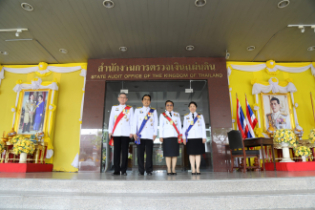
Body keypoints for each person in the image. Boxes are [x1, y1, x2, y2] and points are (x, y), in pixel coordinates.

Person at [108, 93, 134, 176]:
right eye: (121, 97)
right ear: (118, 99)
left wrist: (132, 132)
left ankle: (123, 170)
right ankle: (116, 169)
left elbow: (132, 122)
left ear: (126, 99)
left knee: (125, 152)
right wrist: (110, 131)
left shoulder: (130, 109)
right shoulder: (114, 108)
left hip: (126, 133)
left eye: (124, 97)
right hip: (116, 132)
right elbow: (111, 120)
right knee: (116, 152)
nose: (122, 99)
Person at [132, 94, 158, 176]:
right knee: (140, 154)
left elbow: (155, 123)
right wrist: (134, 133)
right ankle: (141, 171)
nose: (146, 101)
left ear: (150, 101)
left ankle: (149, 170)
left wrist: (155, 133)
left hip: (150, 135)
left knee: (149, 154)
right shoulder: (137, 110)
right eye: (145, 99)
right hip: (140, 135)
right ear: (142, 101)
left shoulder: (153, 111)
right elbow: (134, 123)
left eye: (148, 100)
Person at [182, 101, 206, 175]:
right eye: (191, 106)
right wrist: (183, 138)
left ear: (196, 107)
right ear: (189, 108)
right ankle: (193, 169)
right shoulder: (186, 117)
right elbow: (184, 128)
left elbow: (203, 127)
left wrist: (204, 137)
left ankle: (198, 169)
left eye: (194, 106)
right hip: (190, 138)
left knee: (198, 154)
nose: (192, 108)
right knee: (191, 154)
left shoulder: (200, 116)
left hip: (198, 137)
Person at [159, 100, 182, 175]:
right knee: (168, 154)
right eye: (168, 105)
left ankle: (173, 169)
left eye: (171, 105)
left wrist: (180, 136)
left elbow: (179, 126)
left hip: (175, 136)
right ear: (165, 106)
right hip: (166, 137)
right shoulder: (162, 115)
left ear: (173, 106)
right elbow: (161, 127)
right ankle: (169, 169)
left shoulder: (177, 114)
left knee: (174, 154)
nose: (169, 106)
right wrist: (161, 136)